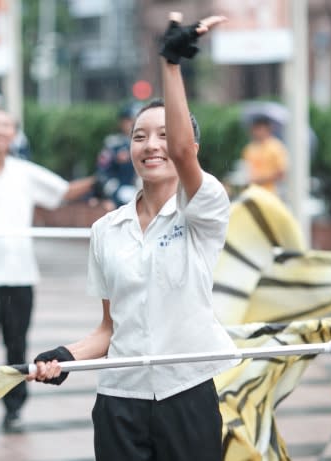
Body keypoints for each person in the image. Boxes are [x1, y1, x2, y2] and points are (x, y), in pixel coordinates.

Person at [29, 12, 236, 461]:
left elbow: (181, 150)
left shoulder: (204, 209)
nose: (151, 145)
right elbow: (110, 328)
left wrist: (171, 64)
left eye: (164, 136)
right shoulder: (107, 230)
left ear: (189, 148)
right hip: (120, 398)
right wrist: (64, 356)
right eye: (139, 136)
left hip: (186, 391)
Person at [0, 109, 95, 434]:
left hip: (20, 272)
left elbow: (63, 192)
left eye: (7, 126)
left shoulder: (25, 172)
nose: (1, 131)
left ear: (14, 133)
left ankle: (14, 409)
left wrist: (105, 176)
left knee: (16, 344)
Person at [91, 103, 140, 210]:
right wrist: (112, 194)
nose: (133, 124)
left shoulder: (149, 143)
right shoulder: (113, 145)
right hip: (119, 192)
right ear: (122, 122)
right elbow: (102, 173)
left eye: (136, 120)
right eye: (129, 120)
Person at [241, 113, 289, 195]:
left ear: (267, 129)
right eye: (255, 129)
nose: (256, 132)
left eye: (259, 128)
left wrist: (260, 180)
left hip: (271, 193)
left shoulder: (276, 147)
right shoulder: (249, 148)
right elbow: (246, 169)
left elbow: (281, 173)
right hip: (253, 192)